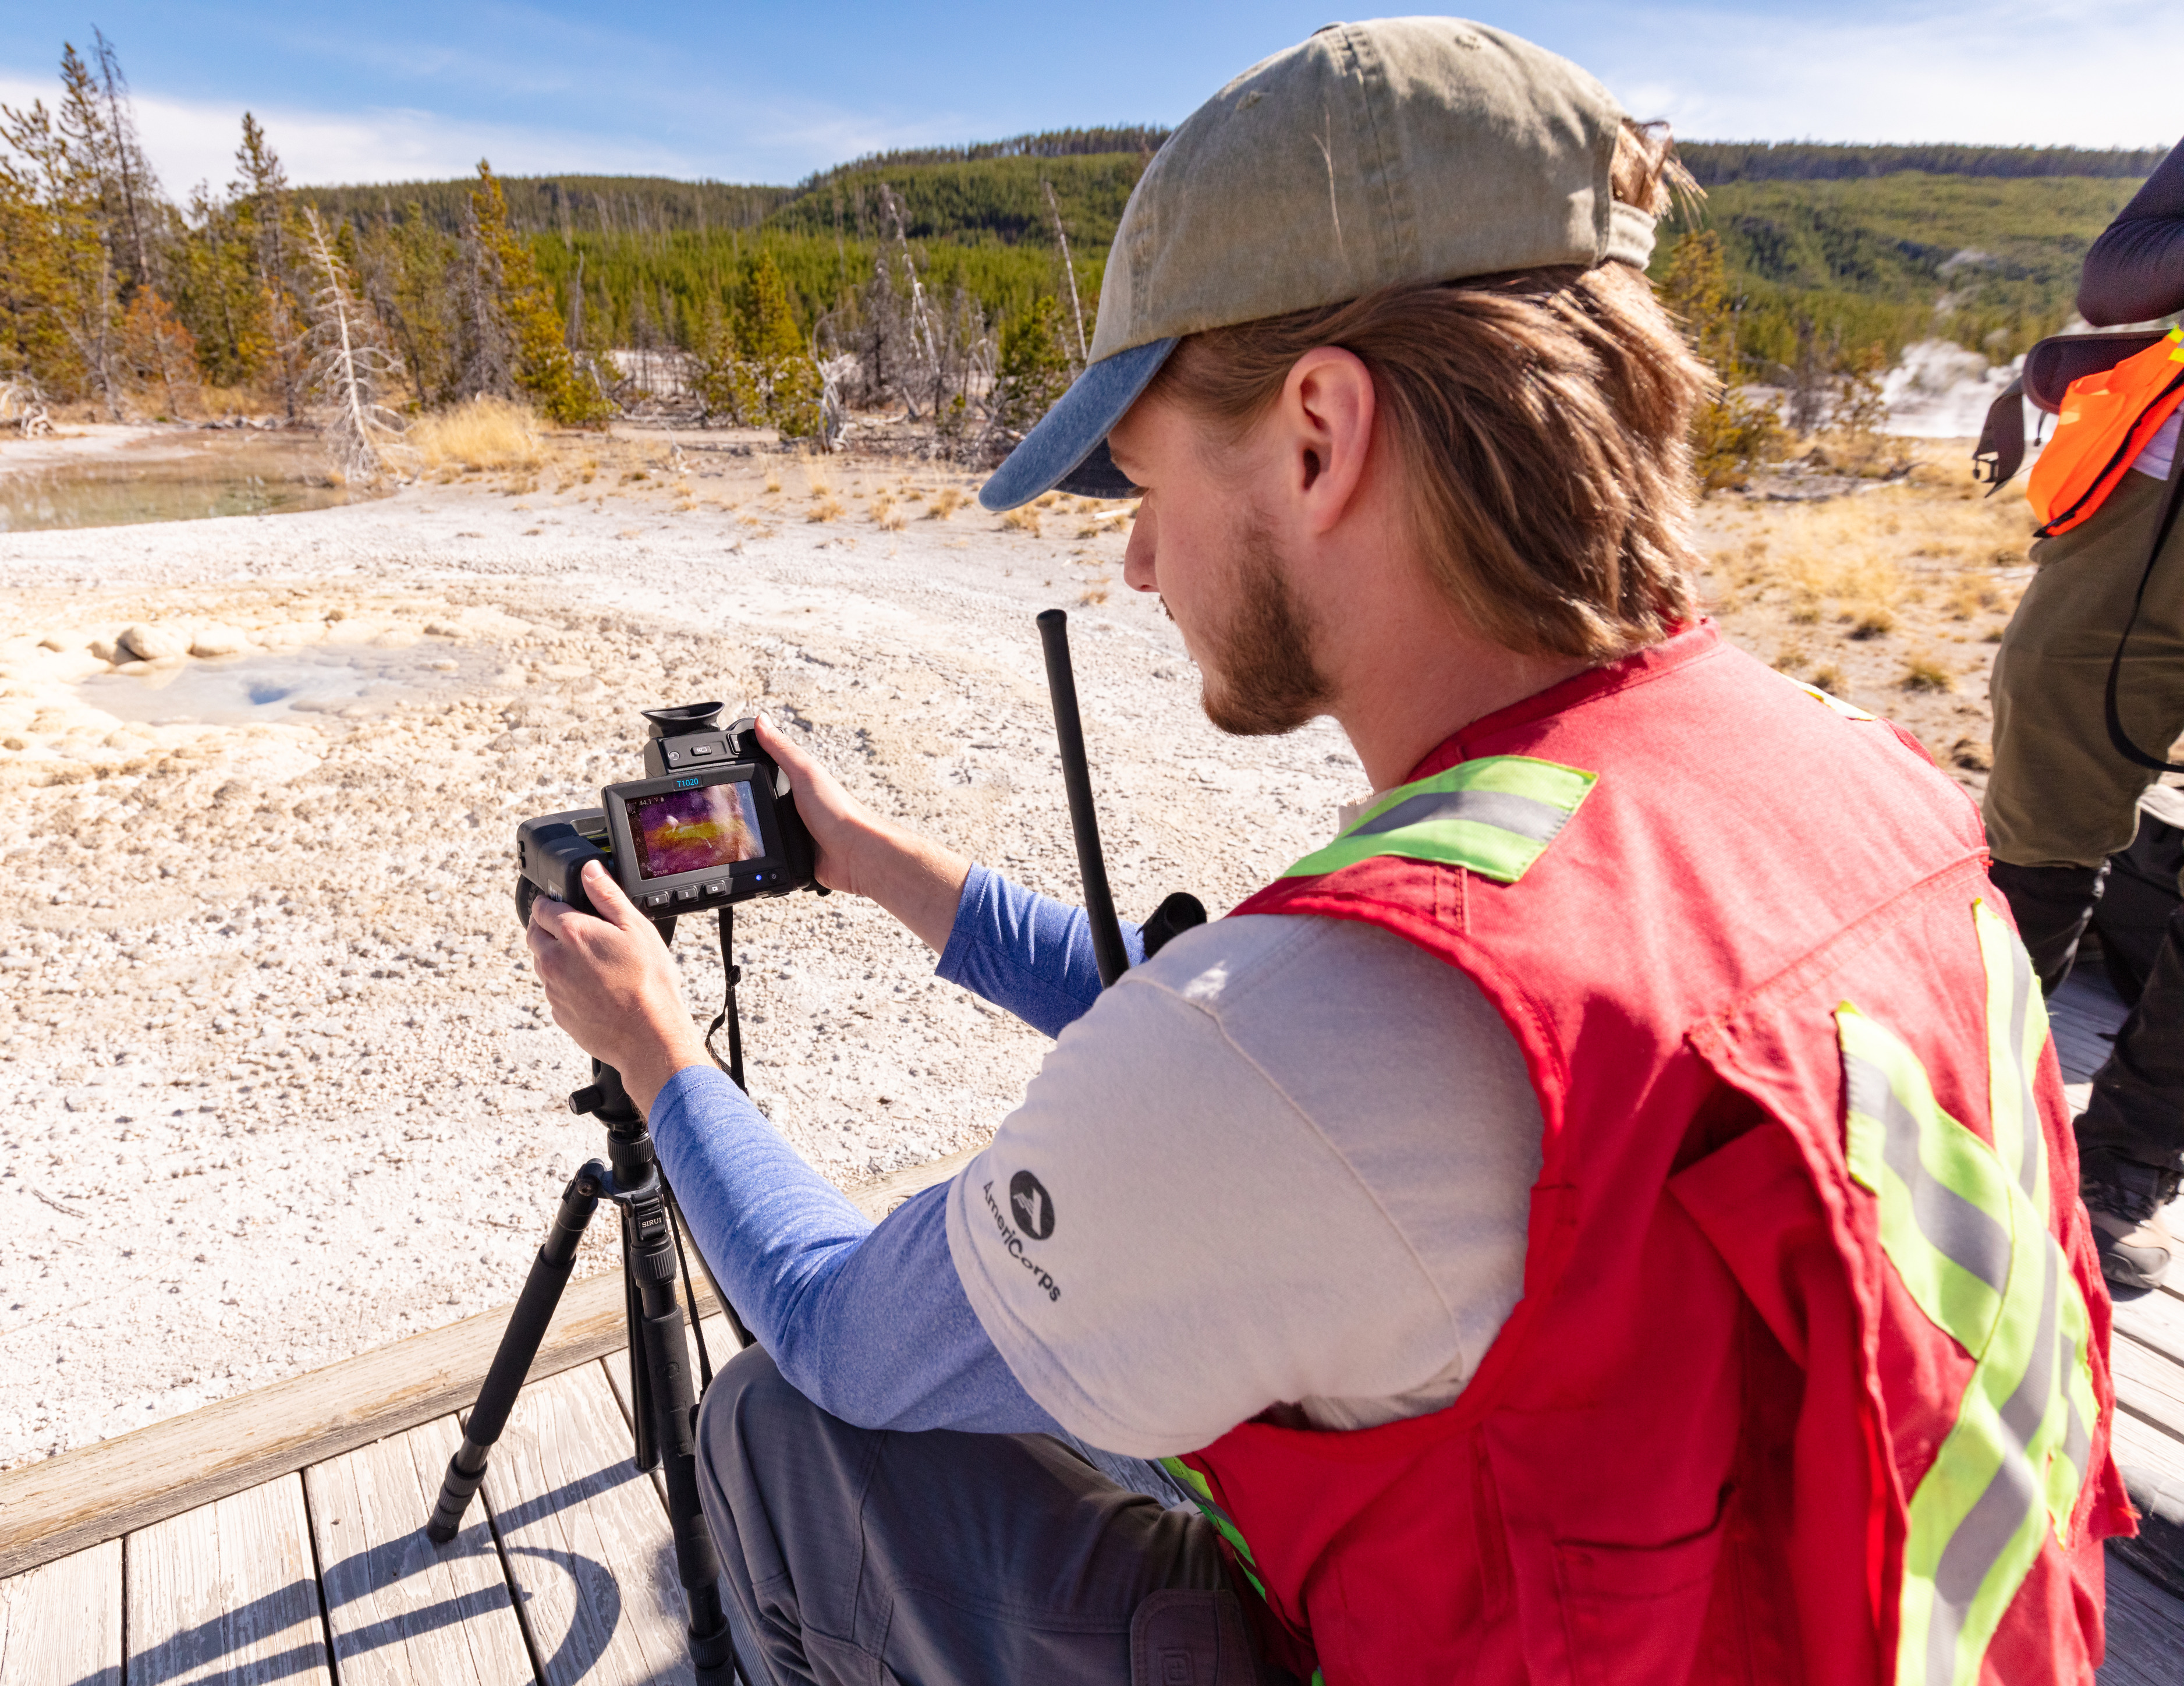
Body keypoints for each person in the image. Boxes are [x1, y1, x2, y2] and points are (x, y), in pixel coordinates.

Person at [526, 22, 2128, 1685]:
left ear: (1317, 432)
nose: (1140, 564)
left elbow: (854, 1325)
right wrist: (879, 865)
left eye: (1143, 480)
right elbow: (1274, 1056)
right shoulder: (1862, 789)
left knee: (795, 1427)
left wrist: (657, 1053)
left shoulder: (1326, 1035)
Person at [1987, 141, 2184, 1289]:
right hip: (2149, 507)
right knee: (2045, 785)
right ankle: (1977, 1116)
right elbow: (2119, 279)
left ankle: (2124, 1168)